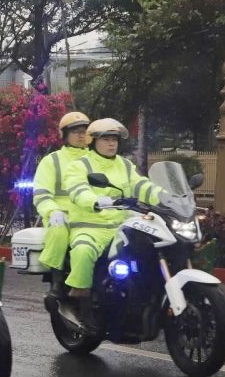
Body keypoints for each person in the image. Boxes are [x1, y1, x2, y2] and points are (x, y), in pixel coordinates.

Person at [61, 118, 169, 313]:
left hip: (123, 225)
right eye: (106, 139)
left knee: (152, 246)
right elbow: (77, 190)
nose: (111, 144)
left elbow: (141, 185)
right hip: (91, 226)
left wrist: (164, 196)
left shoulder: (125, 165)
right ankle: (80, 298)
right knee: (83, 250)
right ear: (93, 141)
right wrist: (95, 201)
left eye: (114, 139)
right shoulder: (80, 166)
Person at [32, 111, 93, 278]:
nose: (81, 135)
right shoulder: (51, 161)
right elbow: (42, 194)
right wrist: (52, 211)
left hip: (92, 215)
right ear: (64, 134)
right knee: (58, 232)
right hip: (61, 216)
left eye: (85, 131)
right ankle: (56, 280)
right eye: (75, 131)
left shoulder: (97, 159)